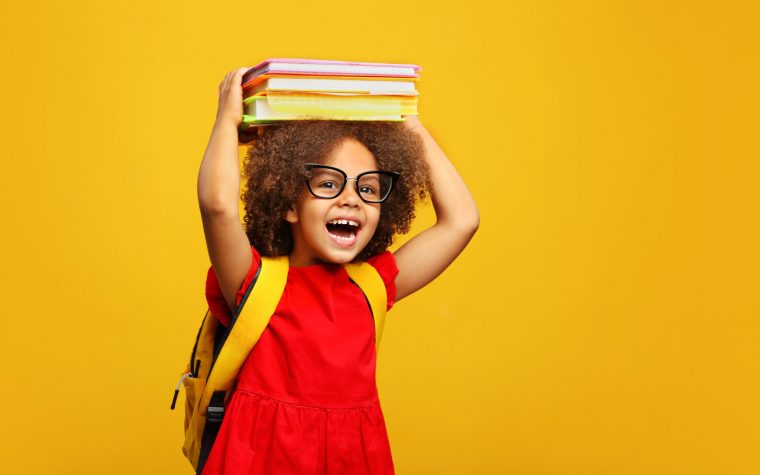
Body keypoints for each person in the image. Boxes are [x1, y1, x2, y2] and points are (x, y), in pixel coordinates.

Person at [197, 67, 479, 475]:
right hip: (261, 460)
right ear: (288, 205)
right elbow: (217, 206)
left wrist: (406, 119)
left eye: (367, 188)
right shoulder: (253, 281)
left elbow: (462, 221)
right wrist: (226, 121)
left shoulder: (372, 284)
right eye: (329, 185)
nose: (351, 200)